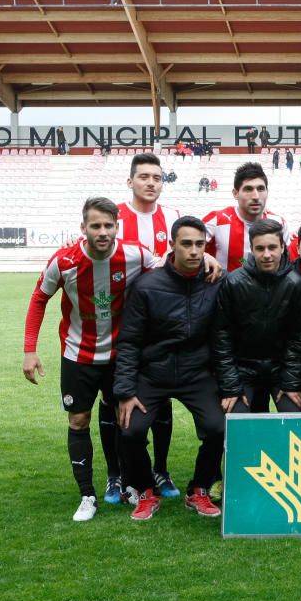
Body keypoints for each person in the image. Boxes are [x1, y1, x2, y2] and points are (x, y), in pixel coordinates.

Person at [22, 197, 157, 521]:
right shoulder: (65, 260)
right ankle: (87, 495)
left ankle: (125, 482)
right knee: (78, 420)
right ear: (83, 228)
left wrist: (207, 260)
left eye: (108, 225)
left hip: (120, 357)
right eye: (95, 225)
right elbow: (40, 298)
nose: (102, 231)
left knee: (124, 419)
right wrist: (29, 349)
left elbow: (168, 272)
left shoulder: (135, 254)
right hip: (77, 356)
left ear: (117, 227)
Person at [114, 216, 224, 521]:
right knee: (130, 430)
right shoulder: (147, 286)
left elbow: (223, 337)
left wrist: (227, 385)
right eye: (186, 243)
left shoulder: (216, 282)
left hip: (196, 373)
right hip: (153, 373)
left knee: (219, 428)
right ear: (171, 245)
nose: (193, 251)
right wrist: (125, 391)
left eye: (200, 244)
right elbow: (129, 341)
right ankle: (147, 490)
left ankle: (199, 489)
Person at [212, 219, 301, 415]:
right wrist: (231, 387)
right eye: (260, 248)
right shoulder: (233, 283)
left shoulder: (296, 284)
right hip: (243, 369)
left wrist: (290, 383)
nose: (266, 254)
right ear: (252, 249)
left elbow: (297, 338)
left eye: (272, 247)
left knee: (297, 418)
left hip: (280, 370)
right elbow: (221, 337)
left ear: (282, 247)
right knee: (236, 421)